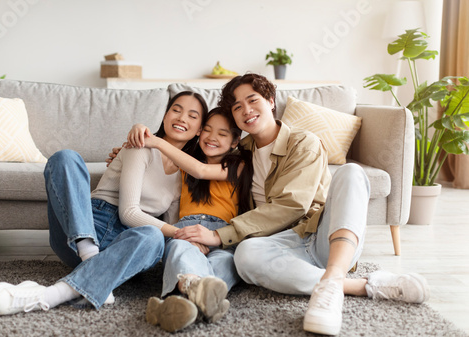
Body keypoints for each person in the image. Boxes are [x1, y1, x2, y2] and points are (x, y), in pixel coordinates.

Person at [131, 74, 430, 336]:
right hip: (277, 246)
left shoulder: (304, 143)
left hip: (320, 235)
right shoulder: (239, 151)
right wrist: (135, 148)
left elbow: (293, 205)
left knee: (352, 172)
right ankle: (358, 285)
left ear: (271, 100)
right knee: (244, 255)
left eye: (253, 100)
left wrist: (220, 235)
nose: (246, 110)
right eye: (237, 107)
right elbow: (195, 156)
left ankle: (333, 279)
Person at [0, 91, 209, 319]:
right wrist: (182, 233)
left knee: (153, 238)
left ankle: (51, 295)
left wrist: (185, 239)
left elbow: (164, 230)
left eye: (192, 116)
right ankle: (91, 260)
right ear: (165, 115)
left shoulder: (183, 178)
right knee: (65, 158)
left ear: (200, 129)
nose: (182, 118)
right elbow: (129, 213)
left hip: (121, 246)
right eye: (176, 110)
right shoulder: (141, 144)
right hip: (84, 226)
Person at [127, 107, 253, 332]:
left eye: (222, 134)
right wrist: (135, 137)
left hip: (224, 235)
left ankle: (177, 301)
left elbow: (201, 171)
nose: (212, 137)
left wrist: (155, 141)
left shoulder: (238, 166)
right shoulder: (185, 162)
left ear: (235, 142)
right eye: (207, 130)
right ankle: (196, 294)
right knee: (179, 249)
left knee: (228, 263)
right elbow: (157, 164)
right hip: (185, 230)